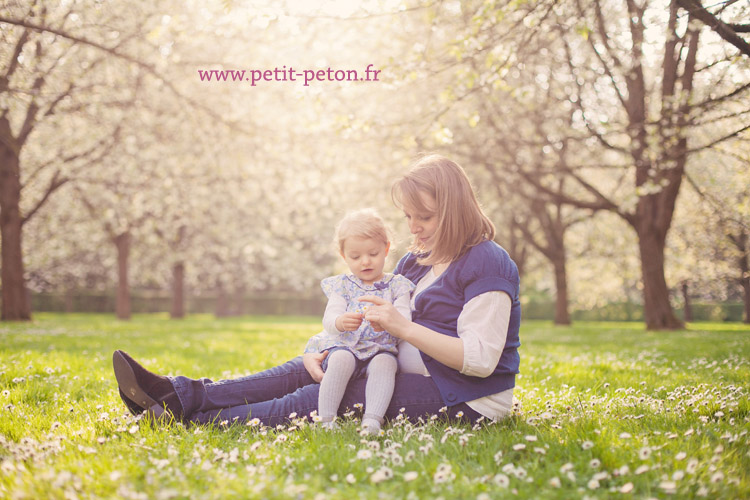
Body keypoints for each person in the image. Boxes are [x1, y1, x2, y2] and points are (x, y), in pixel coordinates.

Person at [112, 154, 521, 429]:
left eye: (425, 217)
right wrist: (321, 344)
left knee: (318, 395)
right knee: (303, 368)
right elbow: (370, 315)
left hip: (464, 395)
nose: (413, 227)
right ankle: (177, 395)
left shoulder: (488, 262)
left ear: (454, 208)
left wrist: (404, 328)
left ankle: (185, 419)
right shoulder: (418, 259)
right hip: (394, 363)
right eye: (408, 217)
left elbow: (481, 360)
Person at [304, 209, 415, 434]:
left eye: (373, 253)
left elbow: (405, 320)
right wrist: (341, 321)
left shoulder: (398, 285)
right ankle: (326, 420)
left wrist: (388, 322)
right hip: (348, 346)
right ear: (344, 257)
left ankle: (373, 420)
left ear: (386, 249)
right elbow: (329, 319)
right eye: (355, 257)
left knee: (386, 365)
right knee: (341, 359)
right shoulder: (342, 285)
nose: (365, 262)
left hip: (381, 348)